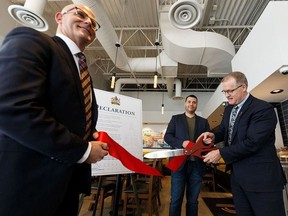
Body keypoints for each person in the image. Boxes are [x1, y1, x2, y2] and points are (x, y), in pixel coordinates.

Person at [0, 4, 109, 216]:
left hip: (65, 186)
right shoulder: (32, 40)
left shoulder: (83, 70)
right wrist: (83, 150)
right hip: (27, 186)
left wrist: (90, 134)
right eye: (80, 14)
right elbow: (12, 106)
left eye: (94, 23)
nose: (88, 22)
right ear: (59, 17)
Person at [202, 71, 286, 216]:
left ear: (244, 87)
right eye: (224, 91)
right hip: (238, 179)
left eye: (230, 90)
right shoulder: (229, 109)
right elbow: (224, 130)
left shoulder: (263, 109)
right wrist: (213, 136)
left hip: (261, 181)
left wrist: (221, 152)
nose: (227, 95)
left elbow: (253, 143)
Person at [164, 95, 210, 216]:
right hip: (179, 164)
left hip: (197, 165)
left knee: (193, 201)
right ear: (185, 103)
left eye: (194, 102)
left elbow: (207, 143)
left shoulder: (203, 122)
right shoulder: (175, 119)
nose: (191, 104)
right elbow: (167, 137)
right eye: (189, 101)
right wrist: (181, 143)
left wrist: (208, 143)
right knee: (175, 200)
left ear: (196, 105)